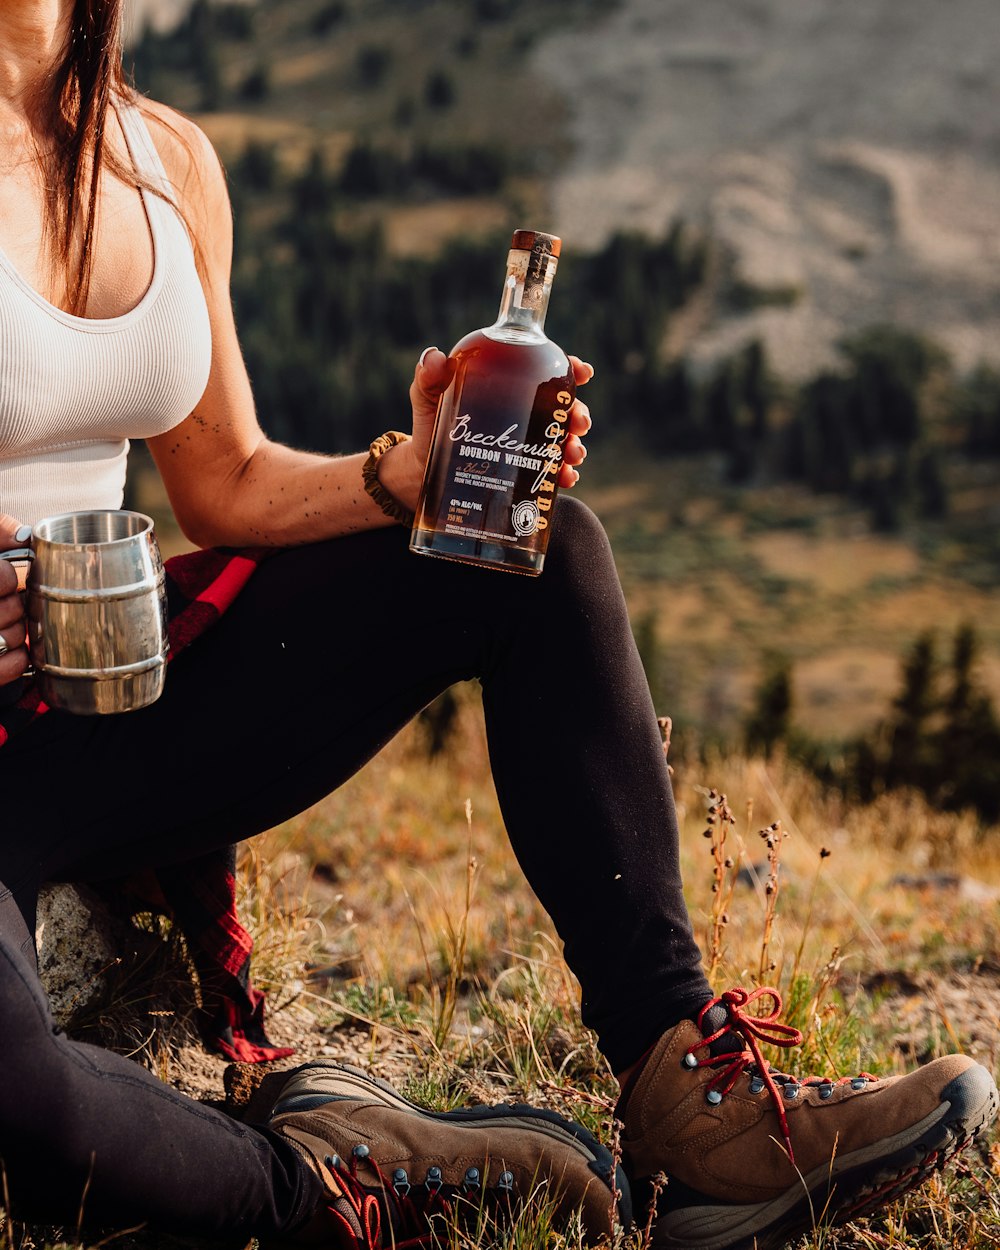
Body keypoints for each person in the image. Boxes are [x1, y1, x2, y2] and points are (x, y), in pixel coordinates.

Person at [0, 2, 996, 1248]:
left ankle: (693, 1097)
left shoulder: (165, 160)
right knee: (14, 1099)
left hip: (112, 690)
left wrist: (410, 474)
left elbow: (227, 481)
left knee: (531, 548)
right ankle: (328, 1175)